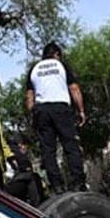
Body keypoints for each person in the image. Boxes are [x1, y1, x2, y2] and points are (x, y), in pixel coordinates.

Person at [25, 41, 87, 193]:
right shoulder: (61, 66)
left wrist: (32, 116)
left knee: (48, 149)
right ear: (57, 54)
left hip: (42, 110)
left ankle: (56, 185)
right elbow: (74, 88)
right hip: (61, 108)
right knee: (70, 145)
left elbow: (29, 96)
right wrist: (81, 111)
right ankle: (78, 181)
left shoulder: (34, 69)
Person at [3, 133, 43, 207]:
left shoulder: (7, 150)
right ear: (22, 145)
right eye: (27, 147)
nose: (27, 151)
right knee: (33, 177)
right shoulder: (17, 153)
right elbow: (26, 168)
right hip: (10, 186)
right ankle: (38, 205)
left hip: (6, 185)